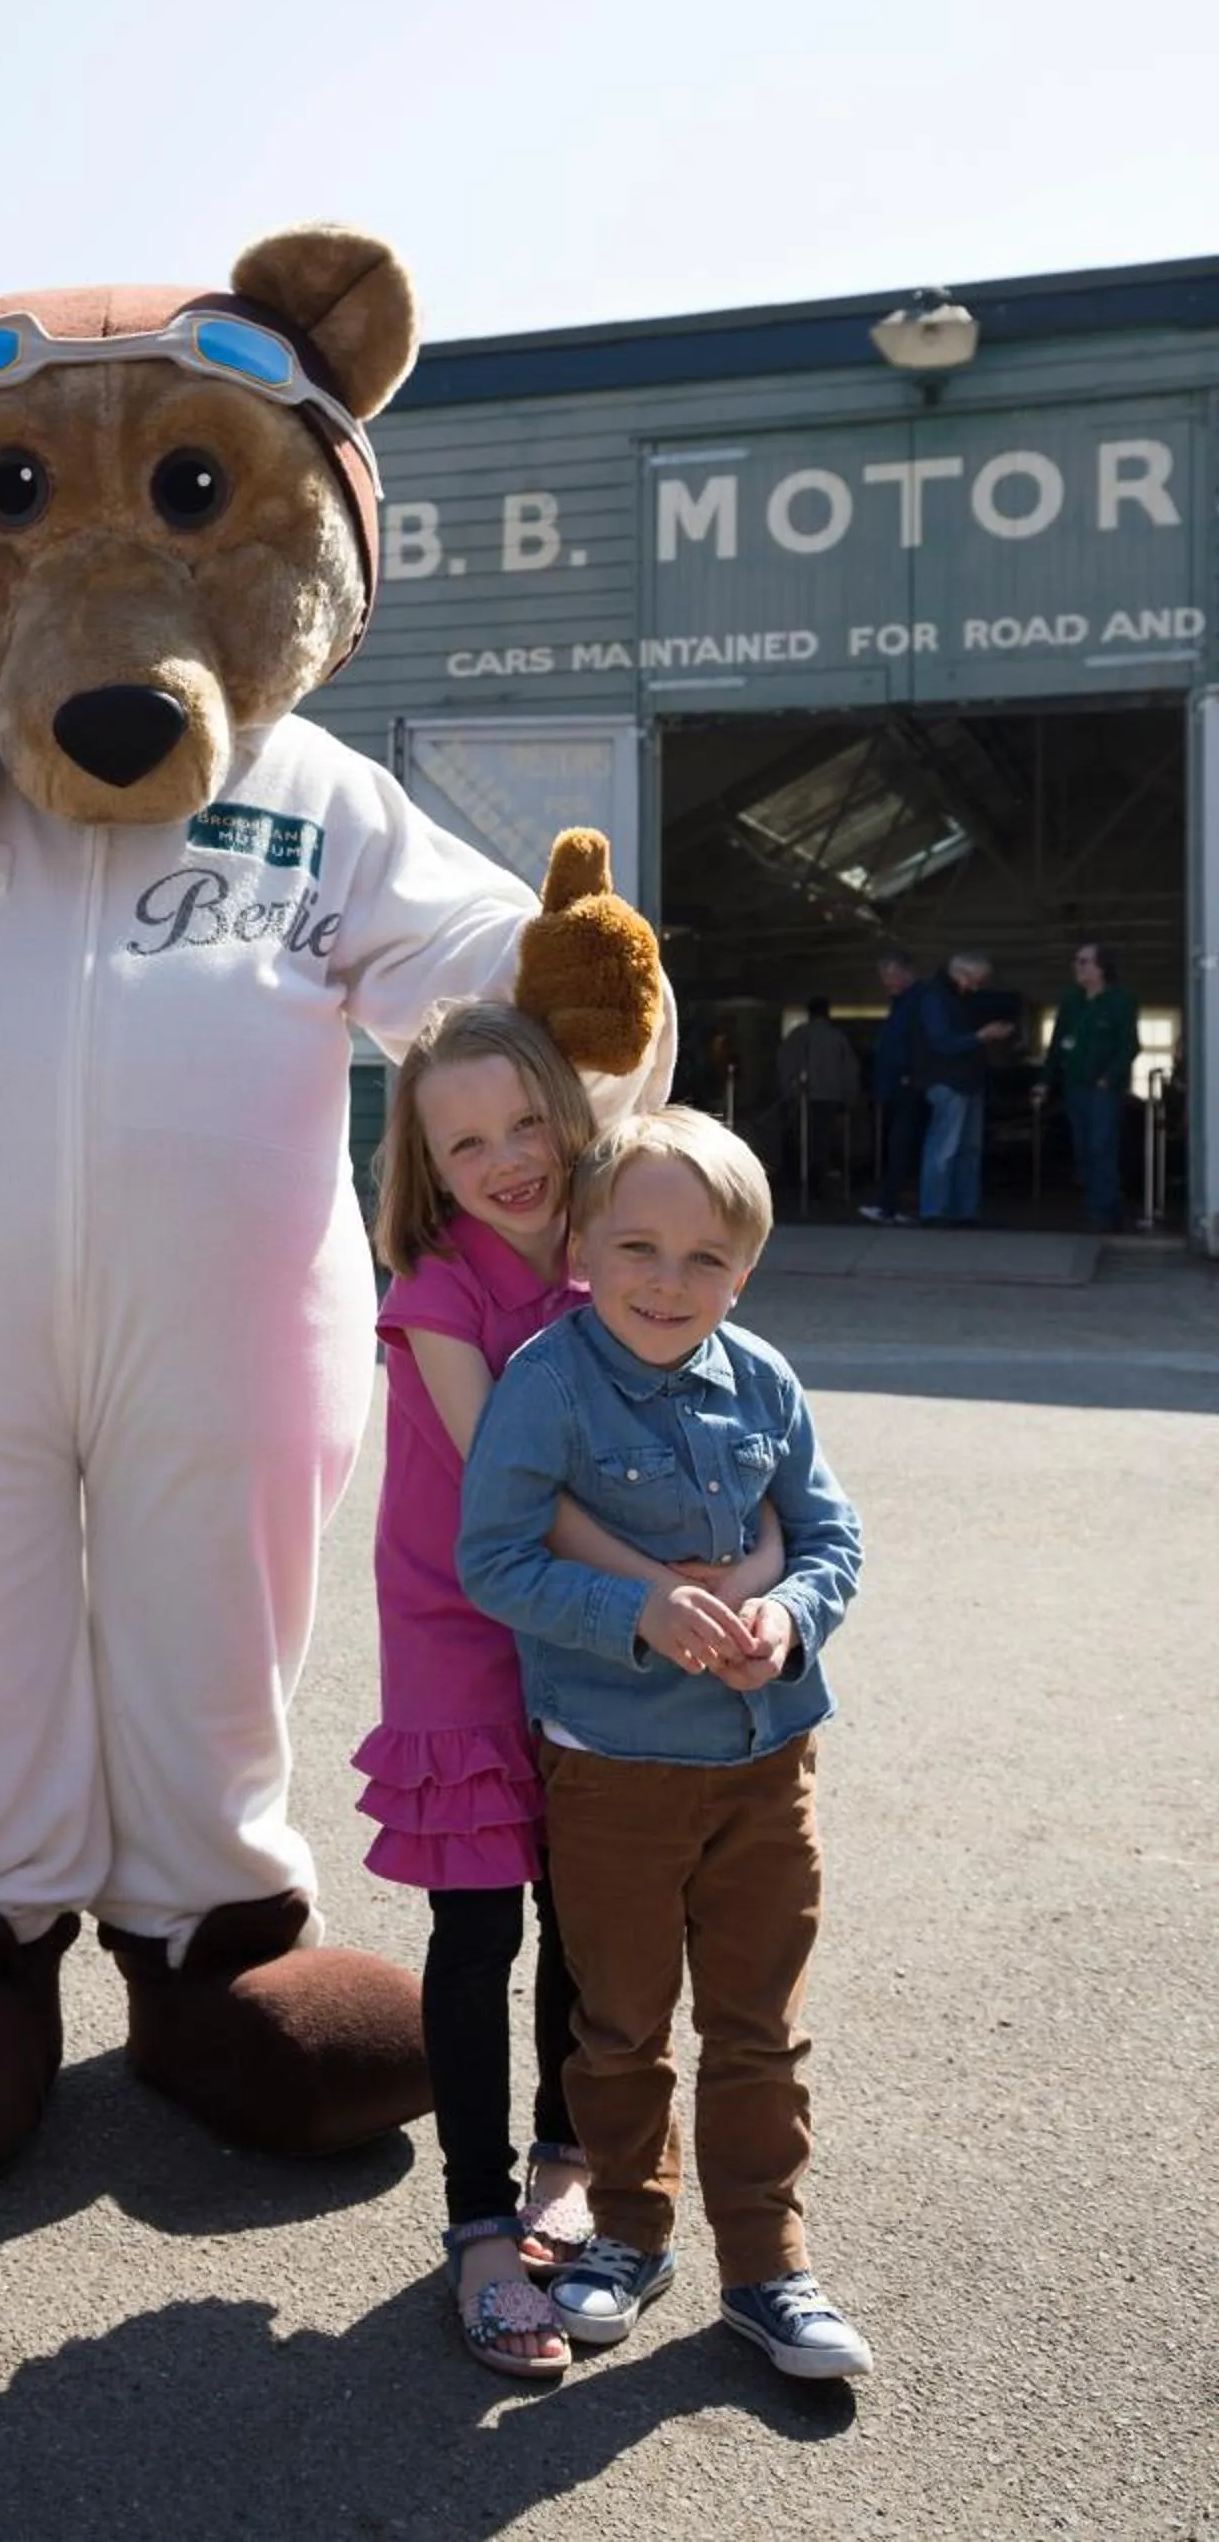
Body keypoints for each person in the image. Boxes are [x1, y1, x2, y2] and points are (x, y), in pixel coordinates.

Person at [357, 1005, 786, 2379]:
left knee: (590, 1915)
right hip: (470, 1630)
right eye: (463, 1140)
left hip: (607, 1637)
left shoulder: (620, 1267)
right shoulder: (437, 1291)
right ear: (424, 1163)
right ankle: (480, 2228)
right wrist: (671, 1584)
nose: (504, 1159)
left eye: (525, 1123)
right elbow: (513, 1503)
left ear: (570, 1111)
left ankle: (565, 2157)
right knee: (480, 1926)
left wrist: (738, 1575)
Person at [457, 1107, 871, 2383]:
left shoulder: (763, 1378)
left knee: (757, 2029)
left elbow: (830, 1541)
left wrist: (787, 1620)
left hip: (765, 1767)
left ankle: (767, 2266)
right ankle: (627, 2238)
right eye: (635, 1246)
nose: (666, 1281)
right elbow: (493, 1560)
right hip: (613, 1772)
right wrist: (634, 1609)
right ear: (580, 1243)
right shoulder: (544, 1382)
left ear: (742, 1271)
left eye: (705, 1259)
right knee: (622, 2028)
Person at [910, 951, 1014, 1227]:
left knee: (967, 1148)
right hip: (948, 1081)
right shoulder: (934, 998)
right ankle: (934, 1210)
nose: (976, 987)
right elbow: (942, 1042)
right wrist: (981, 1036)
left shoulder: (953, 998)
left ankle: (962, 1210)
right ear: (961, 974)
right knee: (945, 1147)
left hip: (967, 1081)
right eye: (975, 980)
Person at [1048, 940, 1138, 1231]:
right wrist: (1044, 1082)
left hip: (1103, 1090)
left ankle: (1101, 1211)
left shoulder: (1121, 1001)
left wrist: (1109, 1077)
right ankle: (1106, 1207)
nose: (1078, 966)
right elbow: (1056, 1044)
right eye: (1077, 960)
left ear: (1101, 968)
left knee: (1101, 1147)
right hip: (1075, 1086)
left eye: (1084, 961)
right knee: (1083, 1148)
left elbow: (1129, 1045)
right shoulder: (1071, 1000)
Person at [858, 951, 924, 1225]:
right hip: (895, 1085)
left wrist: (907, 1074)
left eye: (891, 972)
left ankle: (891, 1204)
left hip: (905, 1084)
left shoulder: (914, 1002)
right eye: (884, 974)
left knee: (902, 1145)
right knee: (899, 1145)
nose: (887, 980)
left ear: (906, 971)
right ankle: (895, 1202)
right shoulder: (903, 1003)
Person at [774, 998, 859, 1203]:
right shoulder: (837, 1037)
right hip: (830, 1097)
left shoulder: (798, 1035)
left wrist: (788, 1091)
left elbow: (785, 1064)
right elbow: (849, 1069)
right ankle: (819, 1183)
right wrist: (849, 1098)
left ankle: (801, 1183)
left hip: (803, 1097)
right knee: (823, 1142)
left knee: (801, 1140)